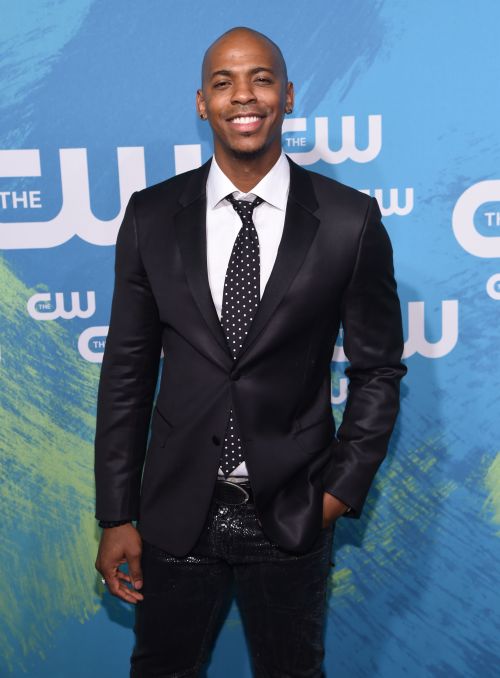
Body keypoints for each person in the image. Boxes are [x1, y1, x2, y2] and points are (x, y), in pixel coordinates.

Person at [94, 26, 406, 678]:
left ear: (287, 96)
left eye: (261, 78)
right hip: (174, 514)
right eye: (223, 81)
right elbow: (125, 371)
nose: (245, 95)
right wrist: (117, 514)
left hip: (293, 511)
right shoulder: (151, 217)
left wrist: (335, 496)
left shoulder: (349, 221)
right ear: (201, 104)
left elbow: (378, 370)